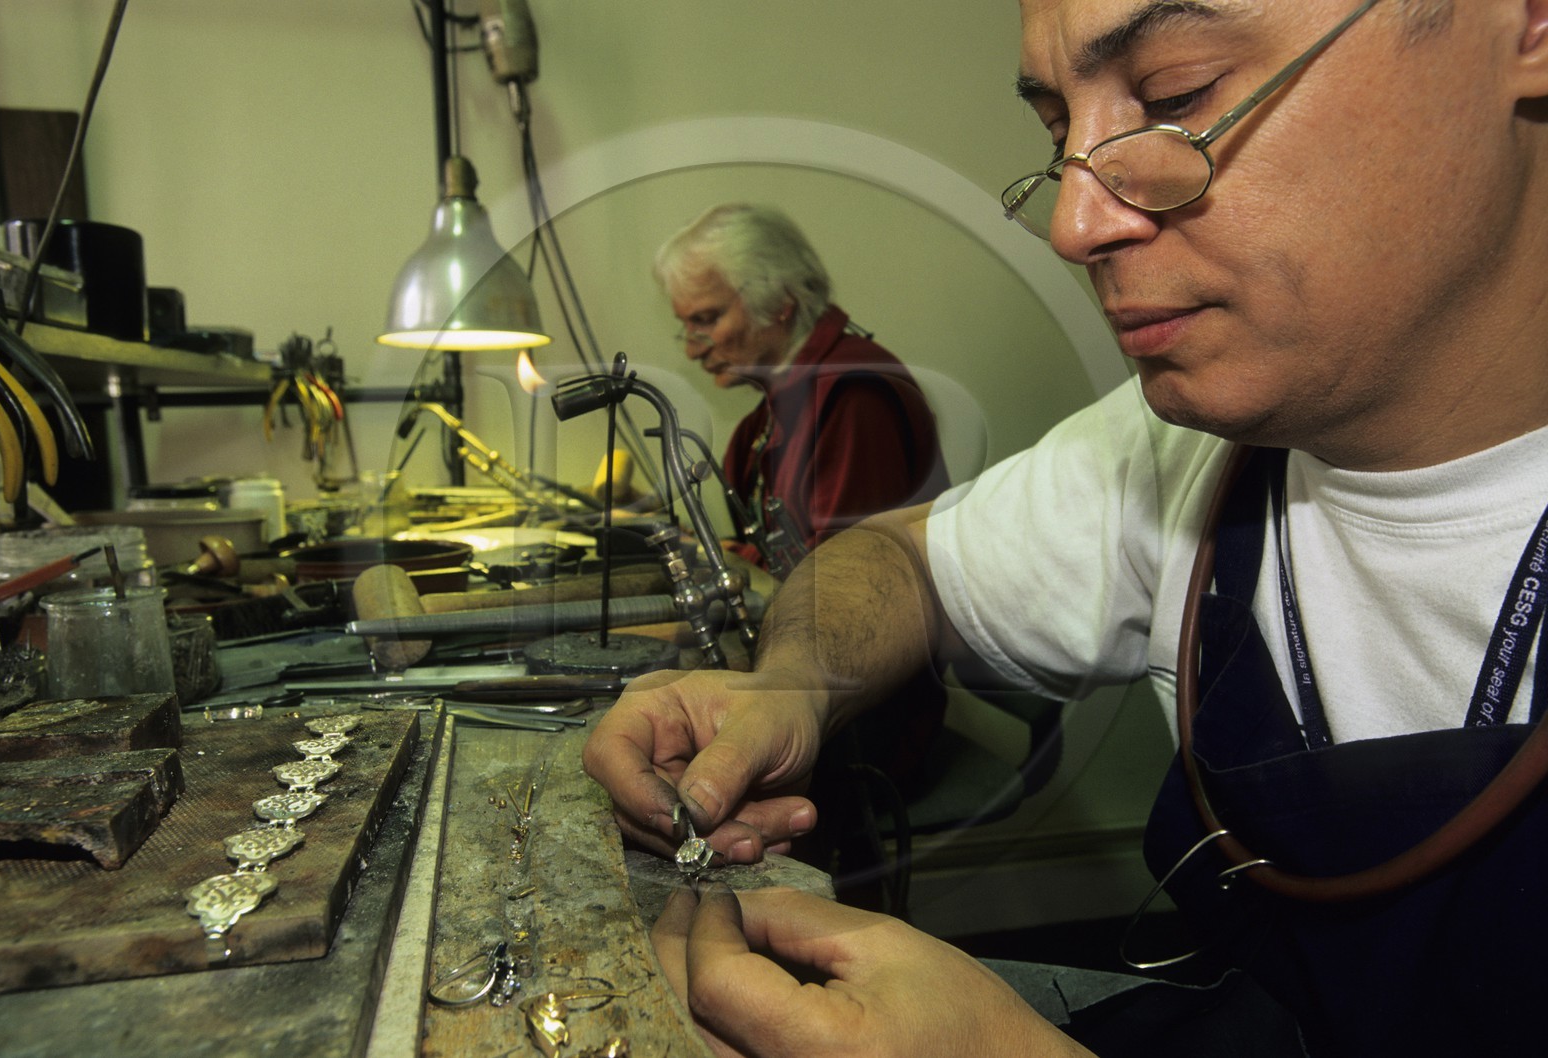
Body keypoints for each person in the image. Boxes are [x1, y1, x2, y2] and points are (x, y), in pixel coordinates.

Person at [583, 0, 1548, 1055]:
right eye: (1058, 140)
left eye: (1175, 96)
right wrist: (795, 681)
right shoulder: (1171, 450)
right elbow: (894, 558)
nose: (1072, 226)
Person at [653, 203, 949, 575]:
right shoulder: (763, 422)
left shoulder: (853, 395)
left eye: (707, 320)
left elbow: (843, 579)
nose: (692, 349)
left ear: (780, 301)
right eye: (688, 326)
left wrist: (721, 555)